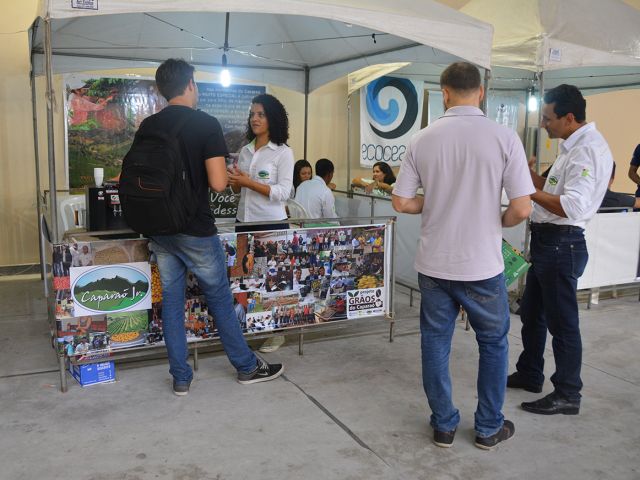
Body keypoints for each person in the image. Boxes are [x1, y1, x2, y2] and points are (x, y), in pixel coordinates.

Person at [392, 62, 534, 450]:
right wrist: (498, 218)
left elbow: (402, 201)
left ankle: (444, 424)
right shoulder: (505, 138)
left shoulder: (422, 139)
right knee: (493, 343)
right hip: (482, 264)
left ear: (445, 92)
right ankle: (488, 428)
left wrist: (434, 201)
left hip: (434, 264)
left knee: (435, 343)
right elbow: (522, 208)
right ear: (481, 92)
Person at [139, 59, 283, 396]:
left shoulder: (148, 125)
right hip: (194, 228)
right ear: (190, 84)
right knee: (219, 298)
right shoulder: (204, 124)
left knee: (172, 303)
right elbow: (219, 184)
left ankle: (181, 377)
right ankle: (246, 367)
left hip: (159, 228)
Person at [508, 84, 614, 415]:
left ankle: (568, 392)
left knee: (563, 323)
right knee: (532, 313)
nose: (543, 124)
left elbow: (573, 205)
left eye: (548, 117)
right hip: (548, 241)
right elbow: (552, 190)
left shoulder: (587, 151)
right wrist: (530, 177)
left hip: (561, 243)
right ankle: (530, 372)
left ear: (569, 118)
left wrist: (524, 187)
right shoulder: (571, 147)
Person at [229, 93, 294, 353]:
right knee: (243, 280)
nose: (255, 119)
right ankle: (246, 327)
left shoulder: (283, 152)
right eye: (252, 114)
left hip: (271, 225)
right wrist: (236, 183)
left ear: (273, 118)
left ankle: (277, 333)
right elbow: (239, 192)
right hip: (243, 222)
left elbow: (284, 193)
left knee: (271, 281)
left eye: (261, 114)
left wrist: (249, 182)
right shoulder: (245, 151)